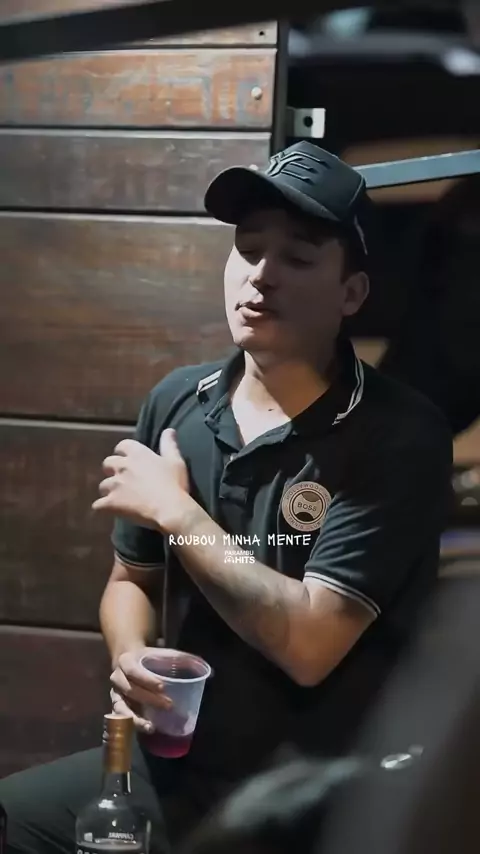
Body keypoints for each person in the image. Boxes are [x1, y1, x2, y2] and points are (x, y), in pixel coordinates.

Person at [0, 141, 453, 854]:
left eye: (297, 257)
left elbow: (310, 643)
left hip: (318, 790)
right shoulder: (178, 402)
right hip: (180, 766)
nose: (261, 274)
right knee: (15, 819)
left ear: (351, 293)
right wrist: (130, 658)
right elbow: (131, 579)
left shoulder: (398, 433)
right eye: (248, 248)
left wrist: (179, 514)